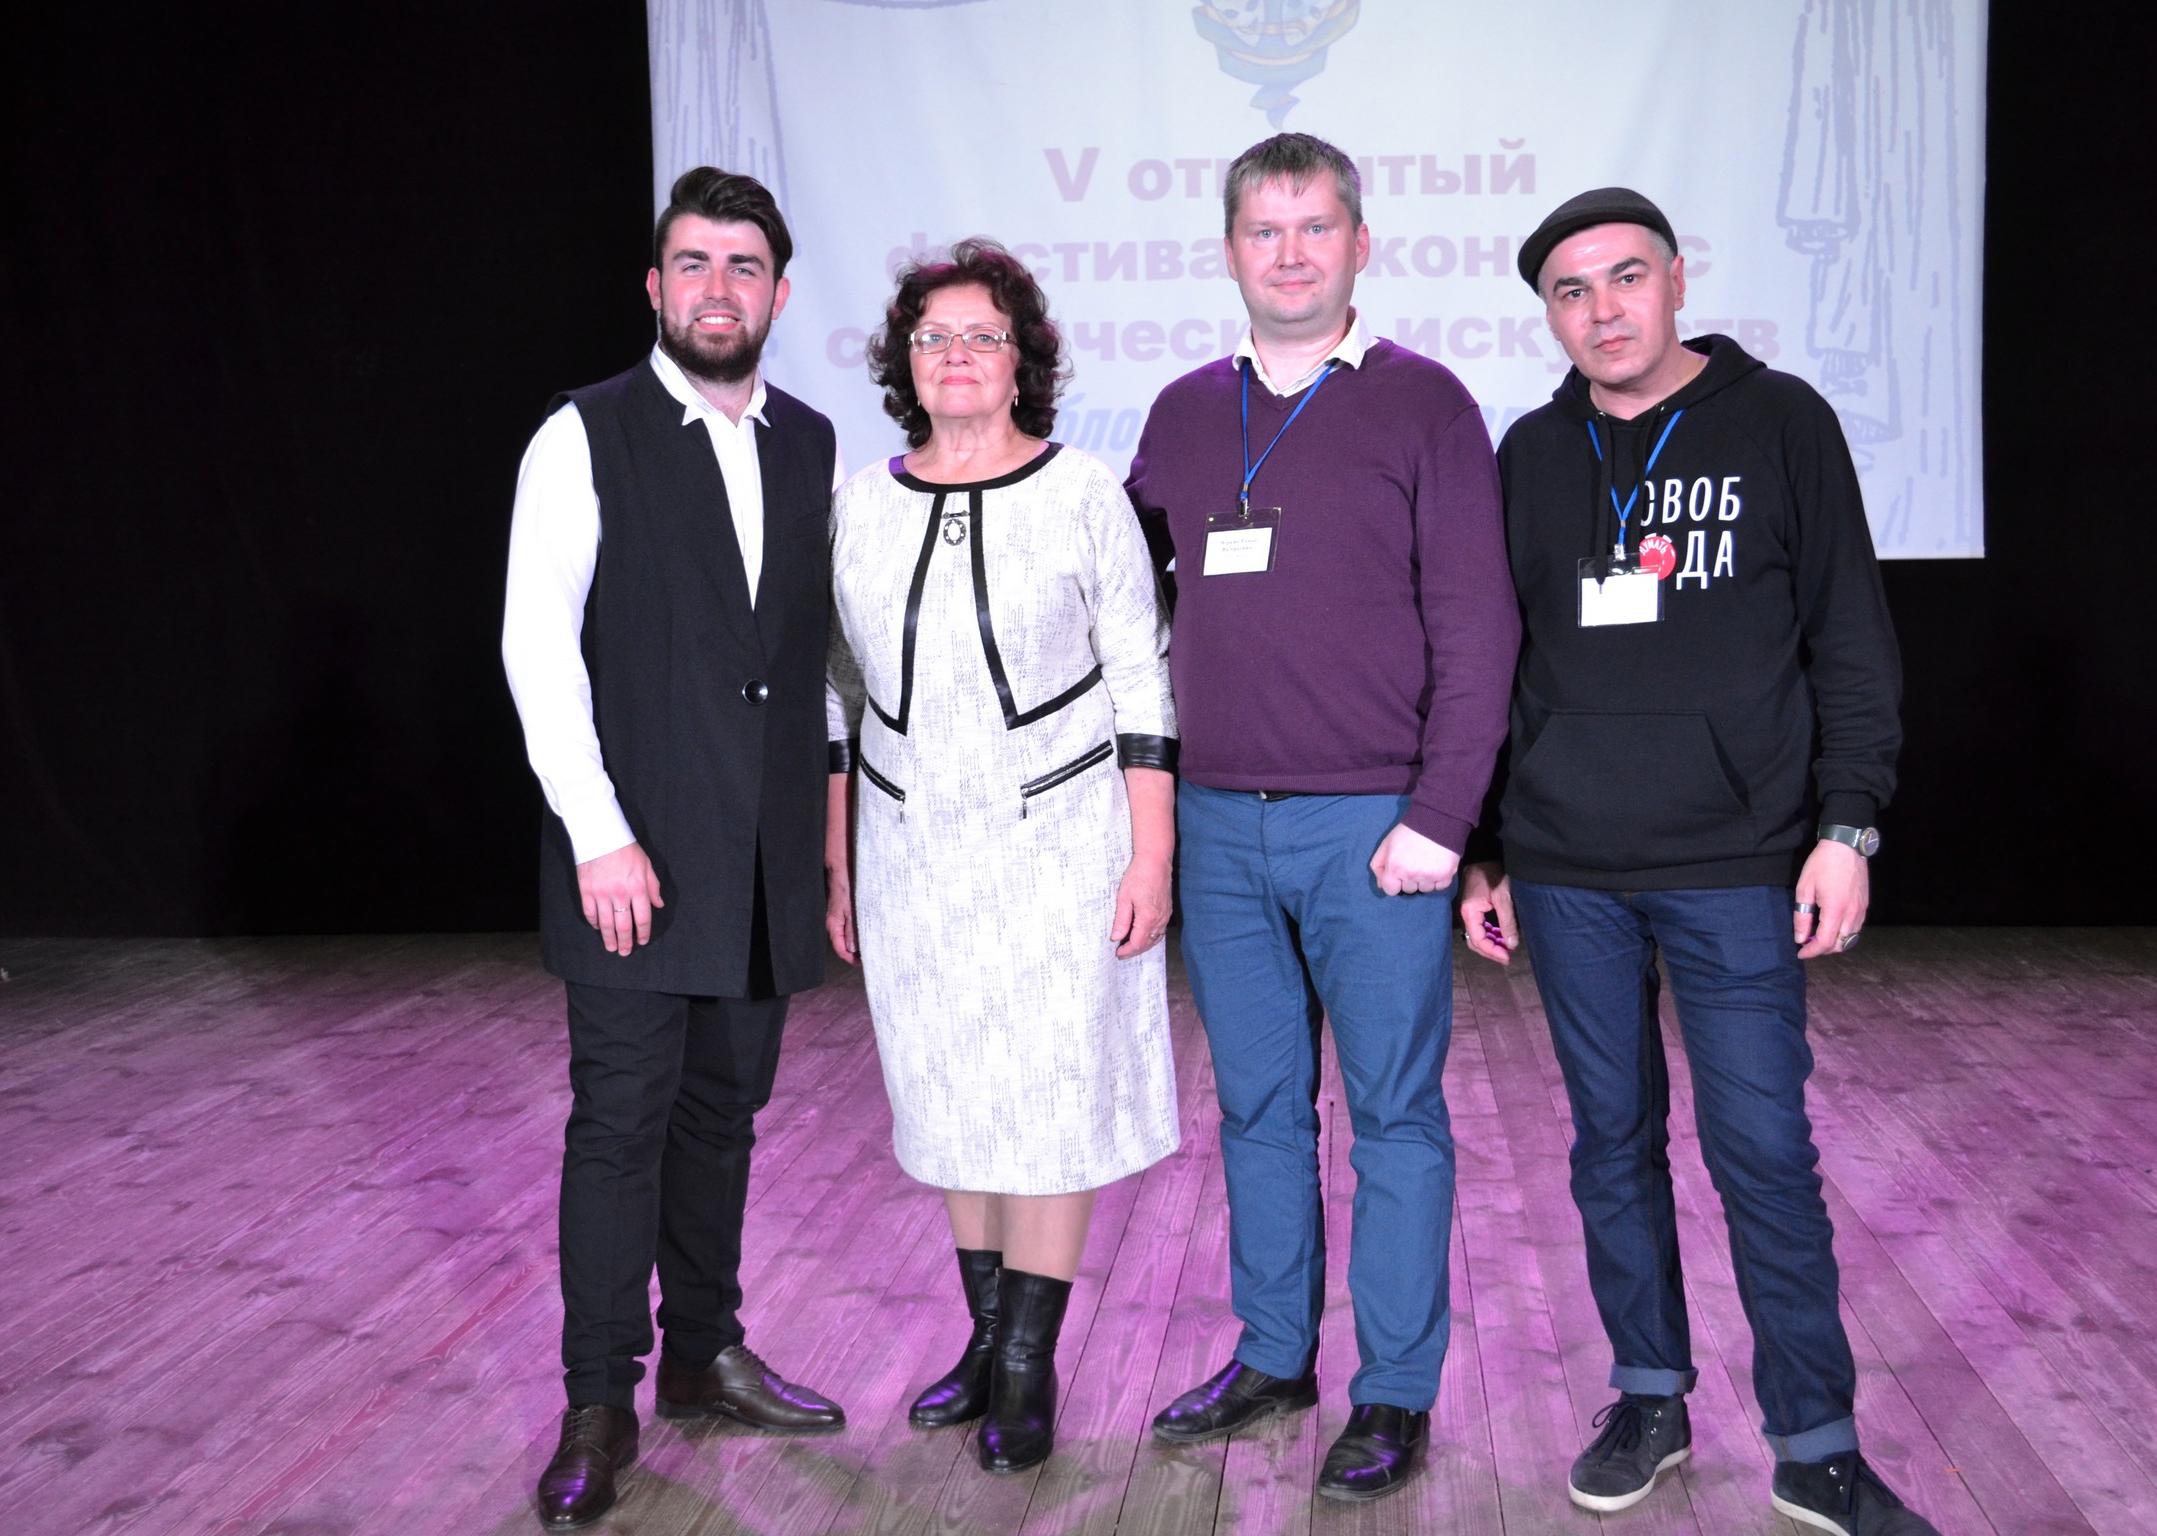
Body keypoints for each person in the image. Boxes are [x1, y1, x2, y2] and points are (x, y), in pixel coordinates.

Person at [1458, 187, 1935, 1536]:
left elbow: (1851, 637)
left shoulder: (1781, 423)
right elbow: (1498, 662)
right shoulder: (1529, 454)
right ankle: (1650, 1397)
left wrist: (1847, 828)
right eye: (1570, 291)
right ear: (1548, 315)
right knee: (1610, 1149)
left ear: (1677, 280)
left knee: (1763, 1153)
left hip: (1736, 859)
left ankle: (1816, 1442)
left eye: (1625, 278)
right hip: (1566, 867)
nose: (1602, 310)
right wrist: (1490, 848)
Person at [1125, 133, 1514, 1503]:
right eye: (1264, 229)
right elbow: (1133, 618)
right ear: (1229, 250)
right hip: (1219, 824)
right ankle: (1274, 1354)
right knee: (1258, 1110)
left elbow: (1480, 630)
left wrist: (1443, 817)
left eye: (1314, 227)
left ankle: (1394, 1390)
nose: (1289, 253)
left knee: (1395, 1115)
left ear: (1361, 244)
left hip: (1375, 827)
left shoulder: (1427, 405)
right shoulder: (1180, 414)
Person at [502, 166, 847, 1533]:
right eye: (693, 264)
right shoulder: (582, 434)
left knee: (722, 1119)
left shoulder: (812, 442)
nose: (718, 288)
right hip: (632, 862)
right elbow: (538, 647)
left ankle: (704, 1353)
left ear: (779, 292)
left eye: (743, 266)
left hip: (759, 860)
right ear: (655, 287)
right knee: (621, 1126)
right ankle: (600, 1400)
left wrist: (826, 843)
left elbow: (812, 663)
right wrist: (598, 834)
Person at [823, 238, 1181, 1475]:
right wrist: (838, 862)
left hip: (1062, 842)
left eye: (984, 335)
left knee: (1047, 1098)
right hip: (909, 846)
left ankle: (1028, 1367)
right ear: (903, 362)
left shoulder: (1083, 493)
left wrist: (1151, 855)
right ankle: (983, 1342)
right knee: (951, 1093)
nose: (958, 356)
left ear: (1024, 359)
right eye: (934, 337)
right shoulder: (858, 505)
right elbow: (838, 695)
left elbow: (1142, 679)